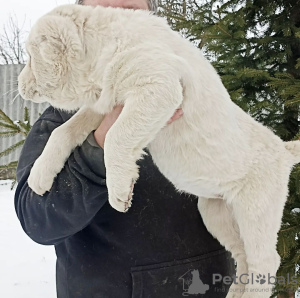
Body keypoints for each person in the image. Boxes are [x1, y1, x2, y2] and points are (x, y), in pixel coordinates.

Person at [14, 0, 235, 297]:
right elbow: (38, 219)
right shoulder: (62, 115)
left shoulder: (196, 89)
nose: (115, 19)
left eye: (129, 10)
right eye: (104, 11)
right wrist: (99, 145)